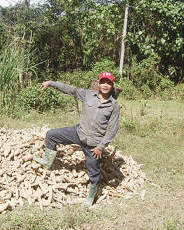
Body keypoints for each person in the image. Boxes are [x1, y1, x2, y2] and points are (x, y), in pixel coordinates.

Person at [34, 71, 120, 207]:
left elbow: (113, 130)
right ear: (99, 83)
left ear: (112, 85)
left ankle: (91, 197)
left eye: (108, 83)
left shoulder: (114, 106)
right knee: (51, 135)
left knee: (94, 171)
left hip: (94, 144)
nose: (105, 85)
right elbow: (69, 89)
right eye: (103, 82)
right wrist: (51, 83)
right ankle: (47, 161)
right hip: (78, 133)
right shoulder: (88, 94)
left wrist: (100, 147)